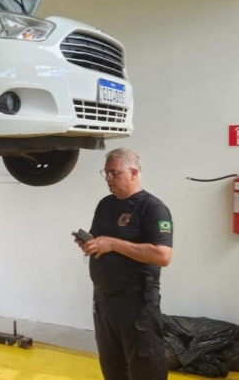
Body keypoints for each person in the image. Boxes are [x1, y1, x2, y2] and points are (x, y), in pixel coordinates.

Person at [75, 148, 173, 380]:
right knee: (113, 368)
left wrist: (112, 244)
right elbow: (101, 242)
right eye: (106, 173)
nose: (108, 178)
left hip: (137, 304)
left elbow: (163, 256)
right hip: (104, 302)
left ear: (133, 172)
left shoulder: (152, 208)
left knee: (145, 369)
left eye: (114, 172)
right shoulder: (105, 205)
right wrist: (90, 245)